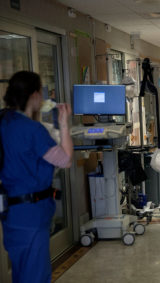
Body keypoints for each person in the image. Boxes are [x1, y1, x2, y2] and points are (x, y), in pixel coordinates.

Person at [0, 71, 73, 283]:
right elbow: (66, 160)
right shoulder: (32, 130)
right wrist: (64, 123)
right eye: (40, 93)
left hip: (12, 213)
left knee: (21, 272)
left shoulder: (4, 122)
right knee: (35, 275)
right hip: (32, 213)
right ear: (33, 95)